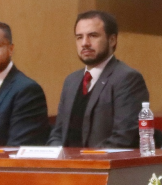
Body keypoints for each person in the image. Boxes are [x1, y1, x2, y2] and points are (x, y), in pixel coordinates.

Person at [47, 11, 149, 148]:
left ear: (112, 40)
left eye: (93, 36)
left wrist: (86, 161)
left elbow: (124, 138)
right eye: (79, 37)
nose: (85, 43)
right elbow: (58, 134)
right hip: (68, 166)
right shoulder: (71, 81)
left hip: (102, 166)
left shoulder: (127, 79)